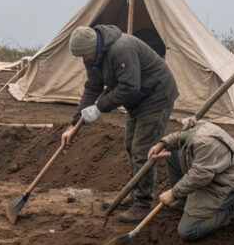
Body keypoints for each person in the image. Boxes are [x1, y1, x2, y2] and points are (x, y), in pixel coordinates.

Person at [59, 24, 179, 223]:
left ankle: (142, 204)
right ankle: (134, 191)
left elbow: (130, 87)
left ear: (93, 47)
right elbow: (93, 87)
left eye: (85, 55)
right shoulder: (93, 56)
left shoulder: (121, 49)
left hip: (156, 95)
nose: (84, 60)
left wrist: (100, 108)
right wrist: (74, 124)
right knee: (130, 145)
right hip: (137, 100)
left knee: (142, 150)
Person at [149, 120, 234, 241]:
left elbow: (199, 176)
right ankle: (183, 200)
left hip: (228, 181)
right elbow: (179, 136)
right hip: (214, 173)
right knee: (173, 152)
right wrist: (162, 144)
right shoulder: (197, 129)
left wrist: (173, 194)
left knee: (188, 231)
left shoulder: (205, 144)